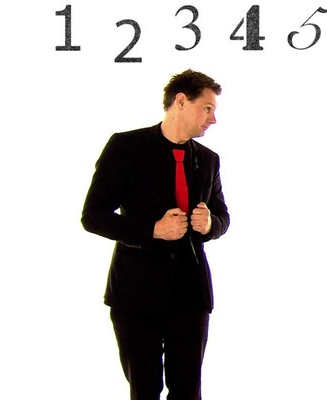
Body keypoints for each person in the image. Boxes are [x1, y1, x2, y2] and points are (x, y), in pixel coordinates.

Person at [81, 69, 230, 400]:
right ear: (181, 101)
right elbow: (92, 216)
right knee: (144, 390)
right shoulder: (126, 147)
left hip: (191, 295)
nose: (213, 119)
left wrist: (210, 224)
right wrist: (152, 230)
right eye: (207, 108)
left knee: (188, 391)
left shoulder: (208, 160)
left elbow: (222, 216)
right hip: (136, 294)